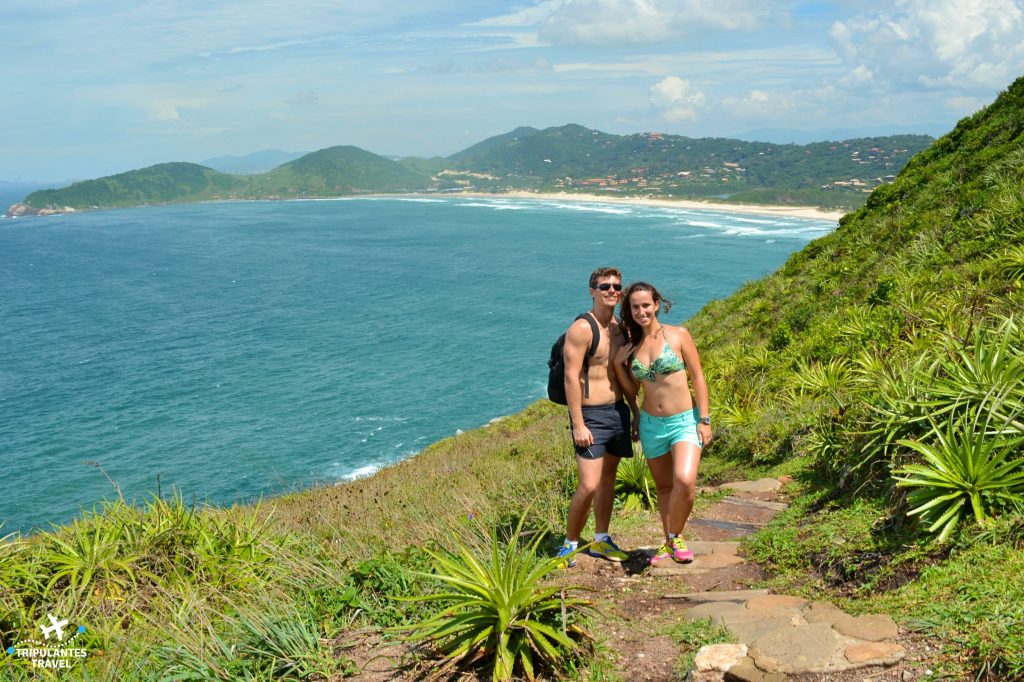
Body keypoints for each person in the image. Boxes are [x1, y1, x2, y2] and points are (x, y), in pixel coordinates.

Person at [613, 281, 712, 565]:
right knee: (665, 488)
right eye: (635, 307)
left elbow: (698, 377)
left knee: (685, 481)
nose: (641, 311)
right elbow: (632, 391)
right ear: (629, 311)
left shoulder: (678, 335)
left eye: (646, 305)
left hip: (684, 421)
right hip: (652, 425)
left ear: (656, 304)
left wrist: (704, 419)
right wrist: (621, 365)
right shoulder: (632, 346)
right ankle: (670, 542)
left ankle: (674, 536)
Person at [558, 267, 639, 568]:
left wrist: (635, 412)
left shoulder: (621, 329)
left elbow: (626, 374)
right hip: (590, 415)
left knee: (608, 480)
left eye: (616, 287)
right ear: (592, 291)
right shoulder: (581, 329)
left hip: (618, 411)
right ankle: (569, 544)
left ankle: (602, 539)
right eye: (604, 286)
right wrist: (578, 423)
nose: (611, 291)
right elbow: (571, 378)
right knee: (589, 484)